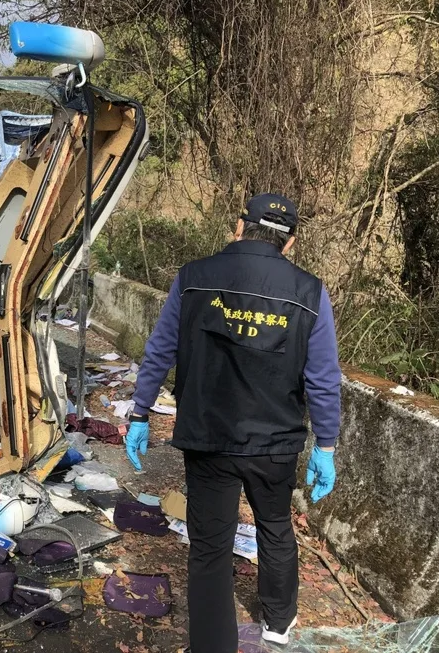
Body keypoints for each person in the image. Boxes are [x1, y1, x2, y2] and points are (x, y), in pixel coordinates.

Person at [124, 194, 341, 652]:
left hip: (209, 438)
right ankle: (278, 623)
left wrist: (140, 411)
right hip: (276, 442)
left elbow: (160, 350)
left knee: (210, 547)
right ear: (291, 242)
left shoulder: (193, 278)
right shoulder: (310, 292)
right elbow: (322, 378)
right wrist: (326, 444)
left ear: (239, 227)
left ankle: (211, 646)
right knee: (275, 526)